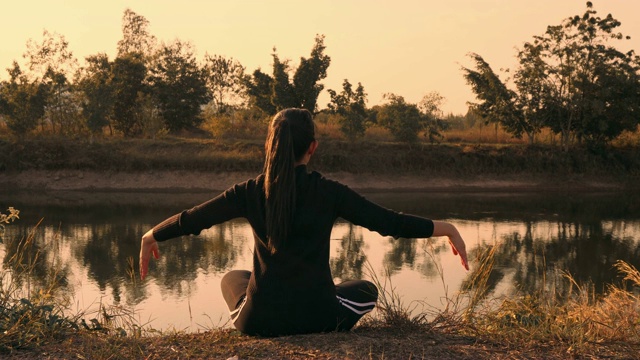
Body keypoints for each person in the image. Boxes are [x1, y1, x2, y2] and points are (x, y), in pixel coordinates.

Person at [139, 108, 469, 337]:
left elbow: (193, 219)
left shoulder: (249, 191)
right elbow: (389, 223)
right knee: (366, 289)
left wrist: (150, 236)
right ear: (312, 147)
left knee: (232, 278)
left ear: (270, 146)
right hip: (320, 317)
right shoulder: (330, 193)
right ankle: (320, 294)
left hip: (259, 321)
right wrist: (447, 228)